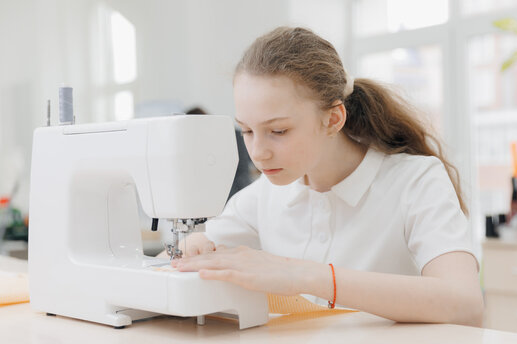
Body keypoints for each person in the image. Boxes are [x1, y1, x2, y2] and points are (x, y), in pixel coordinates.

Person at [169, 27, 483, 326]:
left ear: (333, 119)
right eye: (248, 130)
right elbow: (189, 253)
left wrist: (307, 277)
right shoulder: (264, 195)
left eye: (278, 131)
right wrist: (194, 245)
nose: (258, 152)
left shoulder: (415, 182)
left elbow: (465, 304)